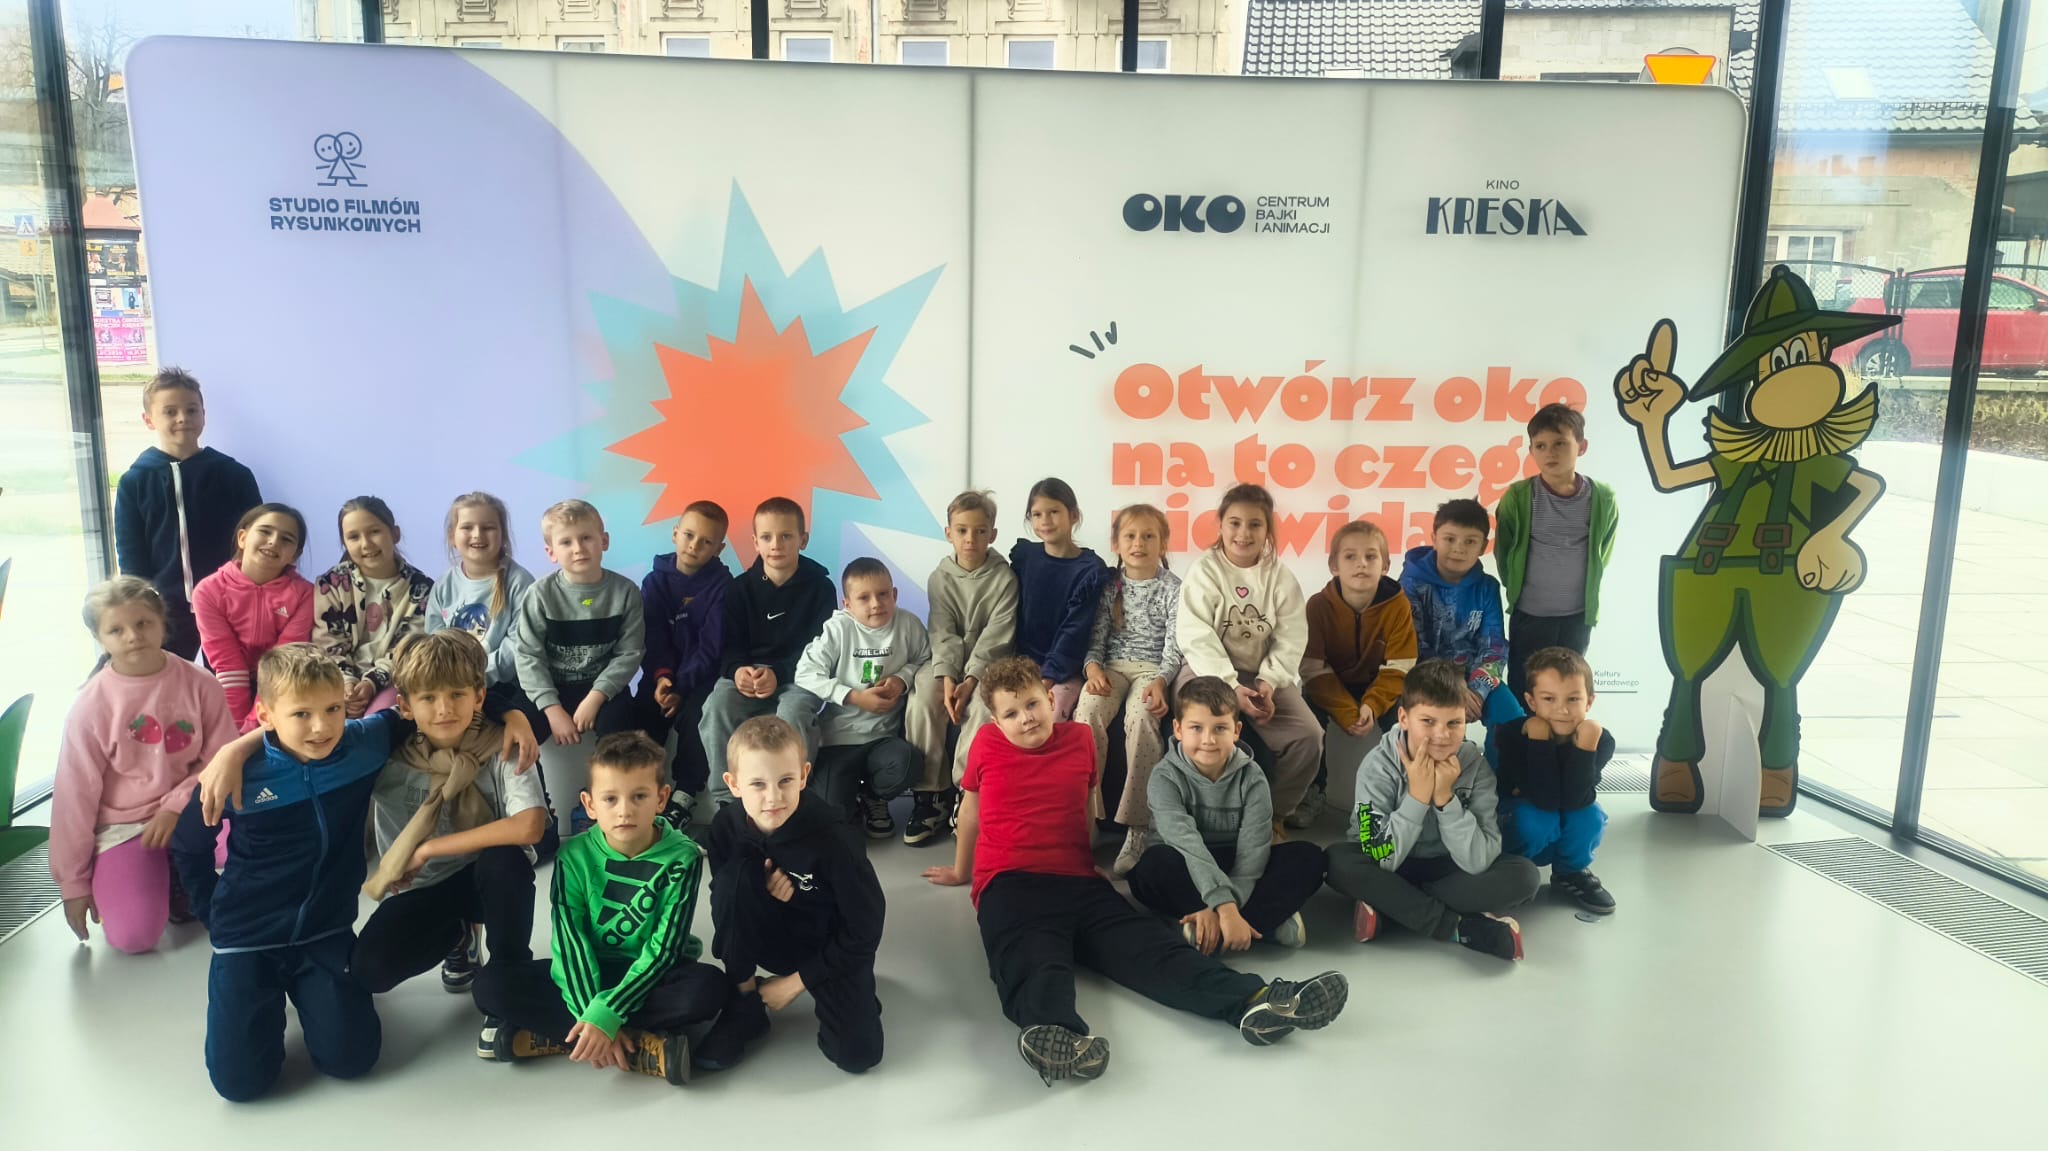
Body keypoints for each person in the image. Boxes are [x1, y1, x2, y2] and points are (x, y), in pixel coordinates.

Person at [924, 657, 1348, 1085]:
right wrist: (963, 871)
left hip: (1077, 881)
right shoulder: (987, 744)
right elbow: (971, 811)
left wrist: (1085, 861)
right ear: (996, 721)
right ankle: (1055, 1033)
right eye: (1012, 713)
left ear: (1050, 700)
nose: (1026, 718)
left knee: (1150, 948)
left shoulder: (1080, 739)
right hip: (1009, 880)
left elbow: (1082, 806)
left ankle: (1256, 1000)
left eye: (1032, 704)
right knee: (1032, 955)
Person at [175, 648, 540, 1103]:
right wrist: (213, 913)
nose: (320, 727)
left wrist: (514, 714)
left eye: (332, 709)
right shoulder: (238, 775)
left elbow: (440, 696)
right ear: (265, 715)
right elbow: (188, 846)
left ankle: (486, 967)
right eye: (302, 714)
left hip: (323, 931)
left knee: (352, 1060)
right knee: (241, 1085)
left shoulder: (362, 745)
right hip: (247, 938)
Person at [475, 732, 720, 1086]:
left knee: (708, 988)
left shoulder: (683, 856)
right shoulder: (573, 856)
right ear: (589, 805)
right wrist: (591, 1012)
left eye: (639, 796)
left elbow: (664, 950)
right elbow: (570, 942)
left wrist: (609, 1012)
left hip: (651, 974)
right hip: (587, 970)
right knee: (489, 985)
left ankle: (562, 1038)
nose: (625, 810)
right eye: (610, 799)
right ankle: (636, 1045)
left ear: (662, 798)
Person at [352, 631, 548, 997]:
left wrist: (428, 848)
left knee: (505, 861)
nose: (444, 709)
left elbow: (530, 826)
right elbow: (325, 742)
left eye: (457, 694)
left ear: (479, 697)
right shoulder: (387, 753)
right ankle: (459, 935)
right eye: (428, 698)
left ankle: (510, 971)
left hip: (484, 877)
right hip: (421, 885)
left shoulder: (505, 743)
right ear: (405, 706)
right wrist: (241, 748)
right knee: (370, 970)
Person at [52, 577, 236, 953]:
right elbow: (73, 799)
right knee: (133, 938)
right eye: (116, 630)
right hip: (126, 825)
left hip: (194, 808)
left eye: (143, 623)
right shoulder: (90, 706)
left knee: (261, 866)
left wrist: (176, 806)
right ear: (100, 638)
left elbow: (223, 757)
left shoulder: (201, 684)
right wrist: (73, 883)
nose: (133, 636)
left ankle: (178, 870)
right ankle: (156, 874)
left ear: (162, 624)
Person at [695, 716, 886, 1075]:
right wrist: (763, 894)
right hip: (769, 936)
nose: (773, 797)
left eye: (785, 780)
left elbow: (865, 930)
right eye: (757, 784)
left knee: (858, 1056)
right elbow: (727, 906)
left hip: (825, 944)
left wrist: (795, 983)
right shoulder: (724, 829)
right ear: (733, 784)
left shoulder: (836, 839)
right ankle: (745, 1002)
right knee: (733, 881)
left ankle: (850, 994)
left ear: (803, 775)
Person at [1321, 659, 1541, 962]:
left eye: (1454, 723)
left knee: (1525, 876)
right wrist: (1418, 797)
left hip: (1449, 867)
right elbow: (1380, 856)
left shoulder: (1475, 766)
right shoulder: (1377, 766)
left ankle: (1392, 908)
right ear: (1404, 718)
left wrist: (1445, 800)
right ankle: (1457, 927)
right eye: (1428, 721)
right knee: (1337, 861)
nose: (1442, 735)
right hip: (1390, 866)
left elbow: (1478, 860)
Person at [1126, 675, 1326, 953]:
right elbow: (1188, 845)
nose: (1208, 740)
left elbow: (1253, 851)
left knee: (1309, 857)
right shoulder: (1164, 777)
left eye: (1220, 728)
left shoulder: (1252, 777)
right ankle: (1263, 924)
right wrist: (1225, 905)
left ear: (1236, 731)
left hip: (1235, 861)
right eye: (1196, 728)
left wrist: (1228, 908)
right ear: (1178, 729)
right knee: (1149, 869)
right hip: (1186, 862)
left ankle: (1210, 928)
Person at [1175, 483, 1322, 835]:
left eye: (1255, 524)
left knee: (1309, 735)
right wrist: (1229, 687)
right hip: (1207, 671)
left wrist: (1267, 682)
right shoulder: (1204, 571)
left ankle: (1272, 816)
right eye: (1235, 523)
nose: (1244, 533)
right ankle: (1198, 819)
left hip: (1262, 675)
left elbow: (1290, 637)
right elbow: (1195, 636)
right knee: (1204, 725)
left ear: (1267, 530)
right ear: (1220, 525)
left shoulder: (1280, 577)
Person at [513, 499, 644, 839]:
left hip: (602, 689)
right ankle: (538, 812)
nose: (578, 548)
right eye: (566, 541)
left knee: (622, 733)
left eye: (586, 538)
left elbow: (630, 654)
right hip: (552, 688)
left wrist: (596, 698)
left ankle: (605, 808)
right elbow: (527, 656)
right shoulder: (540, 595)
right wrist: (551, 709)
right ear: (551, 552)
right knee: (517, 735)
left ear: (604, 541)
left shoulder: (625, 593)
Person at [113, 367, 262, 661]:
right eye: (170, 412)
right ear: (148, 419)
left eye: (191, 410)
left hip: (227, 603)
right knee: (164, 680)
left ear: (203, 415)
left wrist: (248, 589)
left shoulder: (234, 474)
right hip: (166, 610)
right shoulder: (135, 481)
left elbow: (256, 538)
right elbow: (130, 551)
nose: (183, 418)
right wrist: (142, 601)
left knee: (232, 678)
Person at [699, 497, 836, 806]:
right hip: (750, 675)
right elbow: (728, 646)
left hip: (801, 675)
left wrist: (780, 673)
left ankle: (795, 796)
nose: (776, 545)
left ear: (803, 540)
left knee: (793, 712)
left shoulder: (821, 588)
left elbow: (821, 649)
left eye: (786, 536)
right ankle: (728, 801)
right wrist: (738, 671)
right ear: (755, 542)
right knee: (717, 706)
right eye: (767, 537)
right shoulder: (738, 589)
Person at [1073, 502, 1181, 876]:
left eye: (1149, 536)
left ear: (1163, 543)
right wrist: (1092, 667)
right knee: (1087, 713)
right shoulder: (1109, 586)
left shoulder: (1173, 589)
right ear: (1116, 543)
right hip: (1112, 668)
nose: (1139, 544)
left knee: (1143, 717)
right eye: (1130, 536)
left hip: (1151, 671)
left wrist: (1162, 681)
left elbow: (1174, 646)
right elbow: (1096, 637)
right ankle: (1086, 818)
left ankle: (1138, 827)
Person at [903, 490, 1017, 846]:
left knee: (984, 705)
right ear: (948, 533)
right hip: (946, 661)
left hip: (990, 664)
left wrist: (970, 680)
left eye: (980, 531)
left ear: (992, 534)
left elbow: (997, 635)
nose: (971, 539)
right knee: (924, 694)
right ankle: (930, 795)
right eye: (962, 530)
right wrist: (949, 677)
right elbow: (942, 630)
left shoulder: (1005, 579)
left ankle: (967, 793)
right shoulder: (939, 577)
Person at [793, 557, 930, 838]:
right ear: (847, 604)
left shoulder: (908, 625)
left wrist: (901, 679)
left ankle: (873, 797)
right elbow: (804, 673)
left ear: (894, 594)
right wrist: (853, 697)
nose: (876, 604)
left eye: (883, 594)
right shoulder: (838, 629)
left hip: (884, 737)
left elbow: (925, 659)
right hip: (839, 741)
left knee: (908, 764)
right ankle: (848, 797)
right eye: (864, 598)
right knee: (833, 816)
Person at [1295, 518, 1417, 826]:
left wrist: (1372, 705)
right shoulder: (1318, 606)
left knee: (1407, 720)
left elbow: (1400, 666)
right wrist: (1347, 712)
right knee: (1307, 717)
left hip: (1382, 684)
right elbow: (1312, 668)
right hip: (1329, 683)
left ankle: (1401, 795)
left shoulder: (1398, 606)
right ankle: (1312, 792)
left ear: (1385, 565)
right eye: (1350, 556)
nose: (1361, 563)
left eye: (1370, 556)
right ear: (1333, 566)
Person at [1493, 403, 1619, 700]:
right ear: (1531, 451)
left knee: (1567, 687)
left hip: (1576, 616)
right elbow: (1505, 551)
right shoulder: (1519, 497)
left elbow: (1603, 550)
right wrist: (1518, 589)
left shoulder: (1602, 498)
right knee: (1524, 687)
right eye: (1541, 445)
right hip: (1530, 614)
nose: (1550, 452)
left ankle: (1561, 732)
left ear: (1582, 447)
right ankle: (1521, 732)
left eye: (1560, 443)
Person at [1493, 646, 1616, 914]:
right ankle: (1510, 870)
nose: (1562, 709)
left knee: (1590, 817)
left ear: (1589, 702)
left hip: (1563, 809)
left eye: (1573, 699)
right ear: (1531, 701)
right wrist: (1538, 739)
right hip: (1520, 825)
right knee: (1537, 819)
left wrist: (1586, 746)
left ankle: (1569, 872)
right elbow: (1544, 799)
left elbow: (1577, 799)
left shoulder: (1601, 740)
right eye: (1549, 699)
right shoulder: (1511, 735)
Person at [1400, 498, 1522, 739]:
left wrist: (1477, 691)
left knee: (1511, 720)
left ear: (1483, 546)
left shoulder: (1487, 587)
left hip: (1474, 678)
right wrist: (1453, 687)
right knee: (1443, 727)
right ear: (1434, 538)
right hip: (1425, 677)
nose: (1459, 548)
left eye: (1470, 541)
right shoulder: (1410, 585)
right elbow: (1413, 646)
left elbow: (1494, 647)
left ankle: (1502, 766)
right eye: (1450, 539)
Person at [637, 500, 732, 809]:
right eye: (689, 535)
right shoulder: (654, 582)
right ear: (675, 534)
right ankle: (639, 790)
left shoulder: (724, 586)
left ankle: (684, 796)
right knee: (642, 715)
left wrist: (681, 687)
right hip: (661, 676)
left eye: (706, 542)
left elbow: (711, 646)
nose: (694, 546)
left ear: (719, 549)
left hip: (702, 678)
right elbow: (652, 637)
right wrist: (663, 679)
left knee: (698, 717)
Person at [191, 503, 315, 732]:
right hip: (226, 682)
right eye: (265, 531)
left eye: (286, 539)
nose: (274, 541)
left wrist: (253, 725)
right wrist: (237, 729)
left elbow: (283, 662)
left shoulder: (306, 594)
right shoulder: (208, 591)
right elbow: (227, 664)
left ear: (294, 555)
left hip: (281, 682)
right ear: (242, 538)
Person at [314, 496, 434, 718]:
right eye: (354, 537)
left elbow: (408, 648)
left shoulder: (422, 589)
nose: (366, 544)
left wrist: (372, 683)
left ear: (395, 534)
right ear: (345, 543)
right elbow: (328, 643)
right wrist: (347, 682)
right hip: (337, 679)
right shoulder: (331, 584)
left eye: (374, 532)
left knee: (379, 718)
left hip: (391, 680)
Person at [1009, 477, 1108, 723]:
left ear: (1073, 515)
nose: (1045, 520)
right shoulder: (1025, 557)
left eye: (1053, 512)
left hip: (1065, 668)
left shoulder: (1090, 571)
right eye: (1037, 514)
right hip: (1022, 663)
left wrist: (1047, 678)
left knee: (1049, 713)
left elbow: (1074, 631)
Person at [424, 491, 536, 697]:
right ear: (452, 536)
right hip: (451, 684)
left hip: (504, 688)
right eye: (467, 527)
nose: (477, 534)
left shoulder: (520, 583)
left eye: (488, 528)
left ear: (503, 535)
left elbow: (517, 648)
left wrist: (472, 679)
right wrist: (449, 677)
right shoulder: (443, 584)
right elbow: (433, 639)